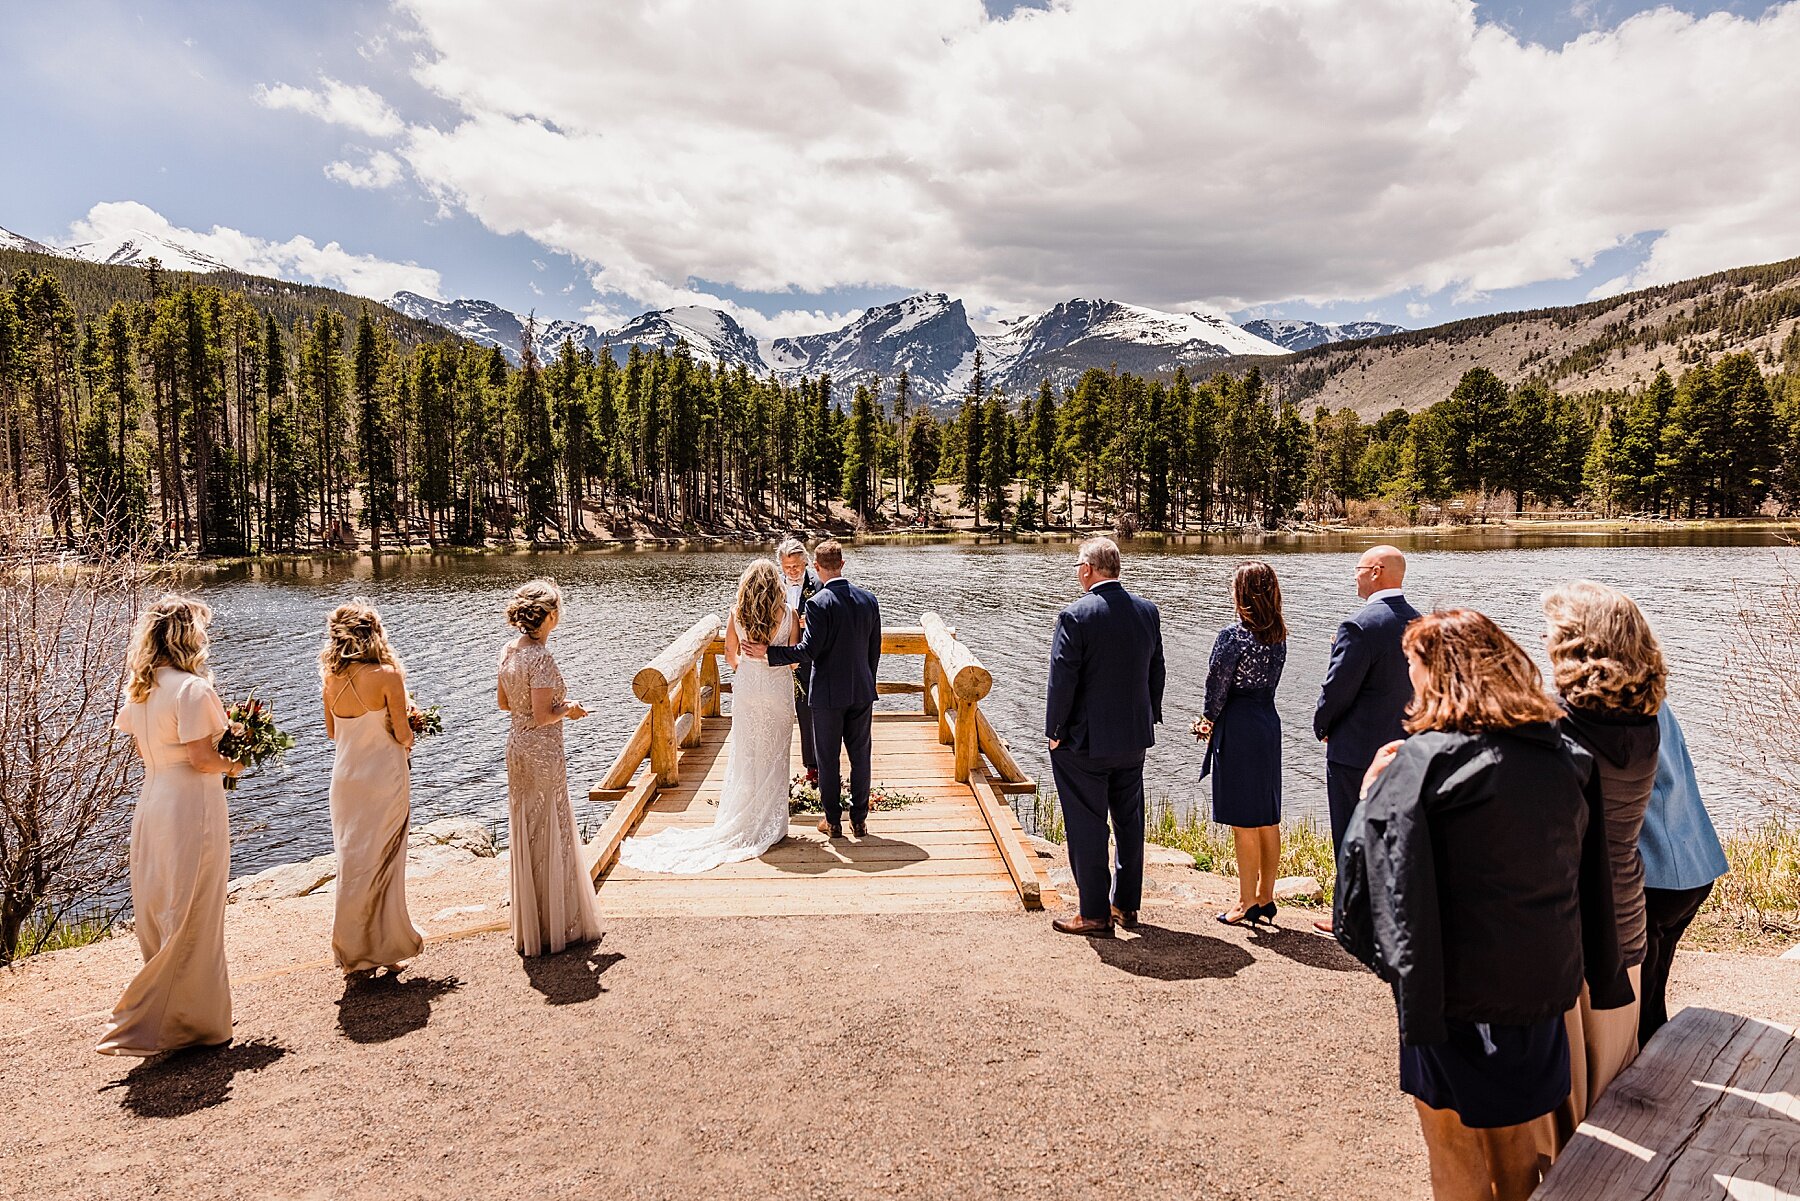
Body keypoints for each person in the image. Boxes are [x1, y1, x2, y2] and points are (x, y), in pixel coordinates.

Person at [1336, 609, 1629, 1201]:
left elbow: (1366, 887)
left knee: (1450, 1139)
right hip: (1539, 990)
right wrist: (1602, 974)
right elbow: (1593, 878)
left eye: (1414, 668)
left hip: (1453, 991)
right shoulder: (1564, 756)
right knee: (1517, 1139)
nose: (1410, 682)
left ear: (1442, 675)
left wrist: (1370, 790)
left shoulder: (1423, 763)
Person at [98, 595, 243, 1056]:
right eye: (202, 630)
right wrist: (234, 765)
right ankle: (185, 1021)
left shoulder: (140, 689)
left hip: (153, 802)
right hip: (191, 807)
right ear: (187, 637)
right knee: (197, 903)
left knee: (165, 903)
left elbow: (146, 754)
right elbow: (202, 760)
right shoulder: (192, 690)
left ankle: (183, 1014)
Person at [1542, 580, 1665, 1120]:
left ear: (1579, 647)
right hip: (1626, 923)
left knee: (1569, 1111)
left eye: (1553, 635)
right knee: (1616, 1098)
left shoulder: (1558, 729)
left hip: (1569, 930)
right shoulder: (1644, 726)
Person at [620, 560, 798, 872]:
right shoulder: (789, 614)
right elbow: (795, 660)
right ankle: (773, 823)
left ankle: (744, 814)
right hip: (776, 689)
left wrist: (746, 668)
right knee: (776, 752)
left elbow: (731, 655)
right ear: (776, 584)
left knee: (747, 752)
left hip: (747, 687)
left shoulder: (736, 613)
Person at [1043, 536, 1166, 937]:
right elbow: (1156, 672)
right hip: (1133, 738)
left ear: (1088, 569)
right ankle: (1125, 906)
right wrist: (1149, 716)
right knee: (1129, 824)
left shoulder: (1075, 616)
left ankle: (1094, 913)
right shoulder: (1147, 612)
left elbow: (1062, 682)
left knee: (1087, 825)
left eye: (1079, 565)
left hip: (1084, 743)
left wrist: (1054, 733)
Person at [1312, 544, 1420, 935]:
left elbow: (1336, 691)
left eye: (1358, 569)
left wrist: (1322, 727)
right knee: (1394, 834)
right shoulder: (1419, 622)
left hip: (1356, 750)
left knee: (1349, 833)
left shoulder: (1359, 626)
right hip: (1405, 748)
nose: (1354, 576)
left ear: (1376, 571)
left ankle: (1348, 917)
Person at [497, 579, 603, 957]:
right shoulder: (541, 657)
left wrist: (545, 708)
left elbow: (504, 704)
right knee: (552, 824)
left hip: (515, 745)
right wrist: (569, 709)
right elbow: (544, 716)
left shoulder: (510, 650)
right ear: (552, 615)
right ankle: (559, 923)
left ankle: (533, 922)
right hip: (542, 748)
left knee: (527, 824)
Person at [748, 540, 882, 839]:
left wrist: (768, 654)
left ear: (817, 567)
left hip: (826, 695)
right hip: (861, 691)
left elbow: (807, 651)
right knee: (861, 756)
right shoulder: (869, 600)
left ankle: (833, 822)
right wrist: (866, 681)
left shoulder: (818, 603)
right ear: (842, 564)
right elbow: (874, 651)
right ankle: (859, 821)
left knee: (828, 758)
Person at [321, 600, 425, 978]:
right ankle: (383, 946)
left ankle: (352, 949)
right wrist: (412, 725)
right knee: (385, 858)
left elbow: (334, 733)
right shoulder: (387, 675)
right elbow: (402, 733)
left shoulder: (330, 680)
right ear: (373, 634)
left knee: (352, 862)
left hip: (346, 780)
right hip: (384, 777)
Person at [1194, 561, 1288, 928]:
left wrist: (1208, 720)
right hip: (1268, 722)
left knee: (1243, 821)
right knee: (1267, 814)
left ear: (1242, 595)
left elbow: (1216, 687)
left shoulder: (1233, 637)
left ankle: (1246, 901)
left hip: (1239, 725)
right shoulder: (1278, 635)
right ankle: (1266, 897)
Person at [1637, 702, 1729, 1048]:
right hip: (1694, 861)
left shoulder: (1611, 709)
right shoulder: (1654, 700)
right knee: (1652, 991)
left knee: (1636, 1008)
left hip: (1655, 871)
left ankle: (1650, 1083)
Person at [777, 537, 824, 783]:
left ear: (805, 562)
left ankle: (813, 767)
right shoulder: (773, 587)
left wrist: (811, 623)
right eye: (787, 567)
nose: (793, 571)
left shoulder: (819, 585)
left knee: (808, 714)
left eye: (796, 566)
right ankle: (774, 773)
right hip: (777, 659)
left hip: (807, 660)